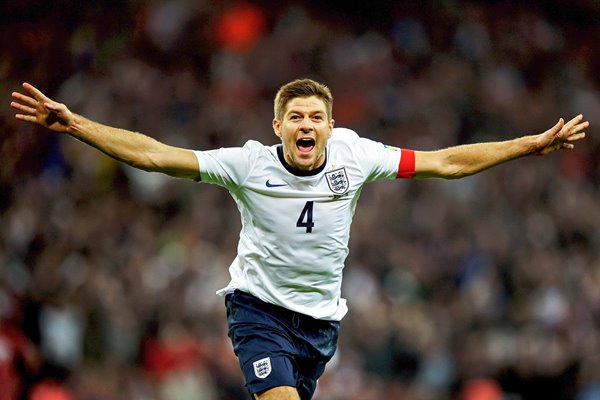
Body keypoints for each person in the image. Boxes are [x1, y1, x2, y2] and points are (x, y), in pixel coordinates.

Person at [11, 79, 588, 400]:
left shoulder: (357, 155)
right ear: (277, 126)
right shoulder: (245, 165)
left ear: (331, 126)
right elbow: (158, 155)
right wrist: (79, 126)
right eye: (296, 117)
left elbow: (447, 163)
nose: (307, 125)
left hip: (320, 324)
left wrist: (528, 145)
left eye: (317, 116)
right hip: (258, 311)